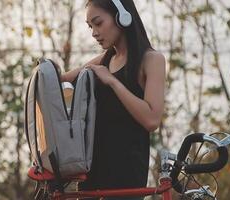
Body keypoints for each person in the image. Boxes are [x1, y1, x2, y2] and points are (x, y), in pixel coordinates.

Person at [59, 0, 165, 199]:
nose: (94, 33)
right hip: (92, 174)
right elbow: (63, 79)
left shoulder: (152, 60)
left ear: (122, 17)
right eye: (90, 26)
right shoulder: (104, 60)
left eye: (98, 23)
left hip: (125, 178)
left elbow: (152, 119)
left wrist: (113, 82)